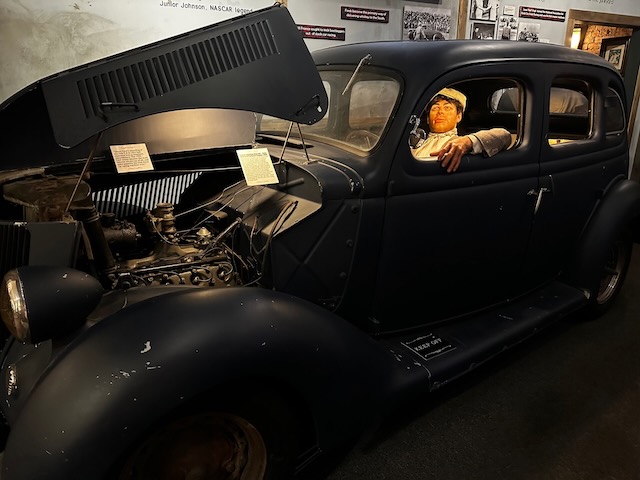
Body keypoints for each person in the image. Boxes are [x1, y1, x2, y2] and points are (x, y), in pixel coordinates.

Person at [412, 88, 512, 173]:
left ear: (458, 116)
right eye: (435, 108)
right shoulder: (415, 144)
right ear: (428, 119)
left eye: (447, 107)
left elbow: (504, 135)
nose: (440, 112)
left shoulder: (460, 144)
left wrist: (468, 142)